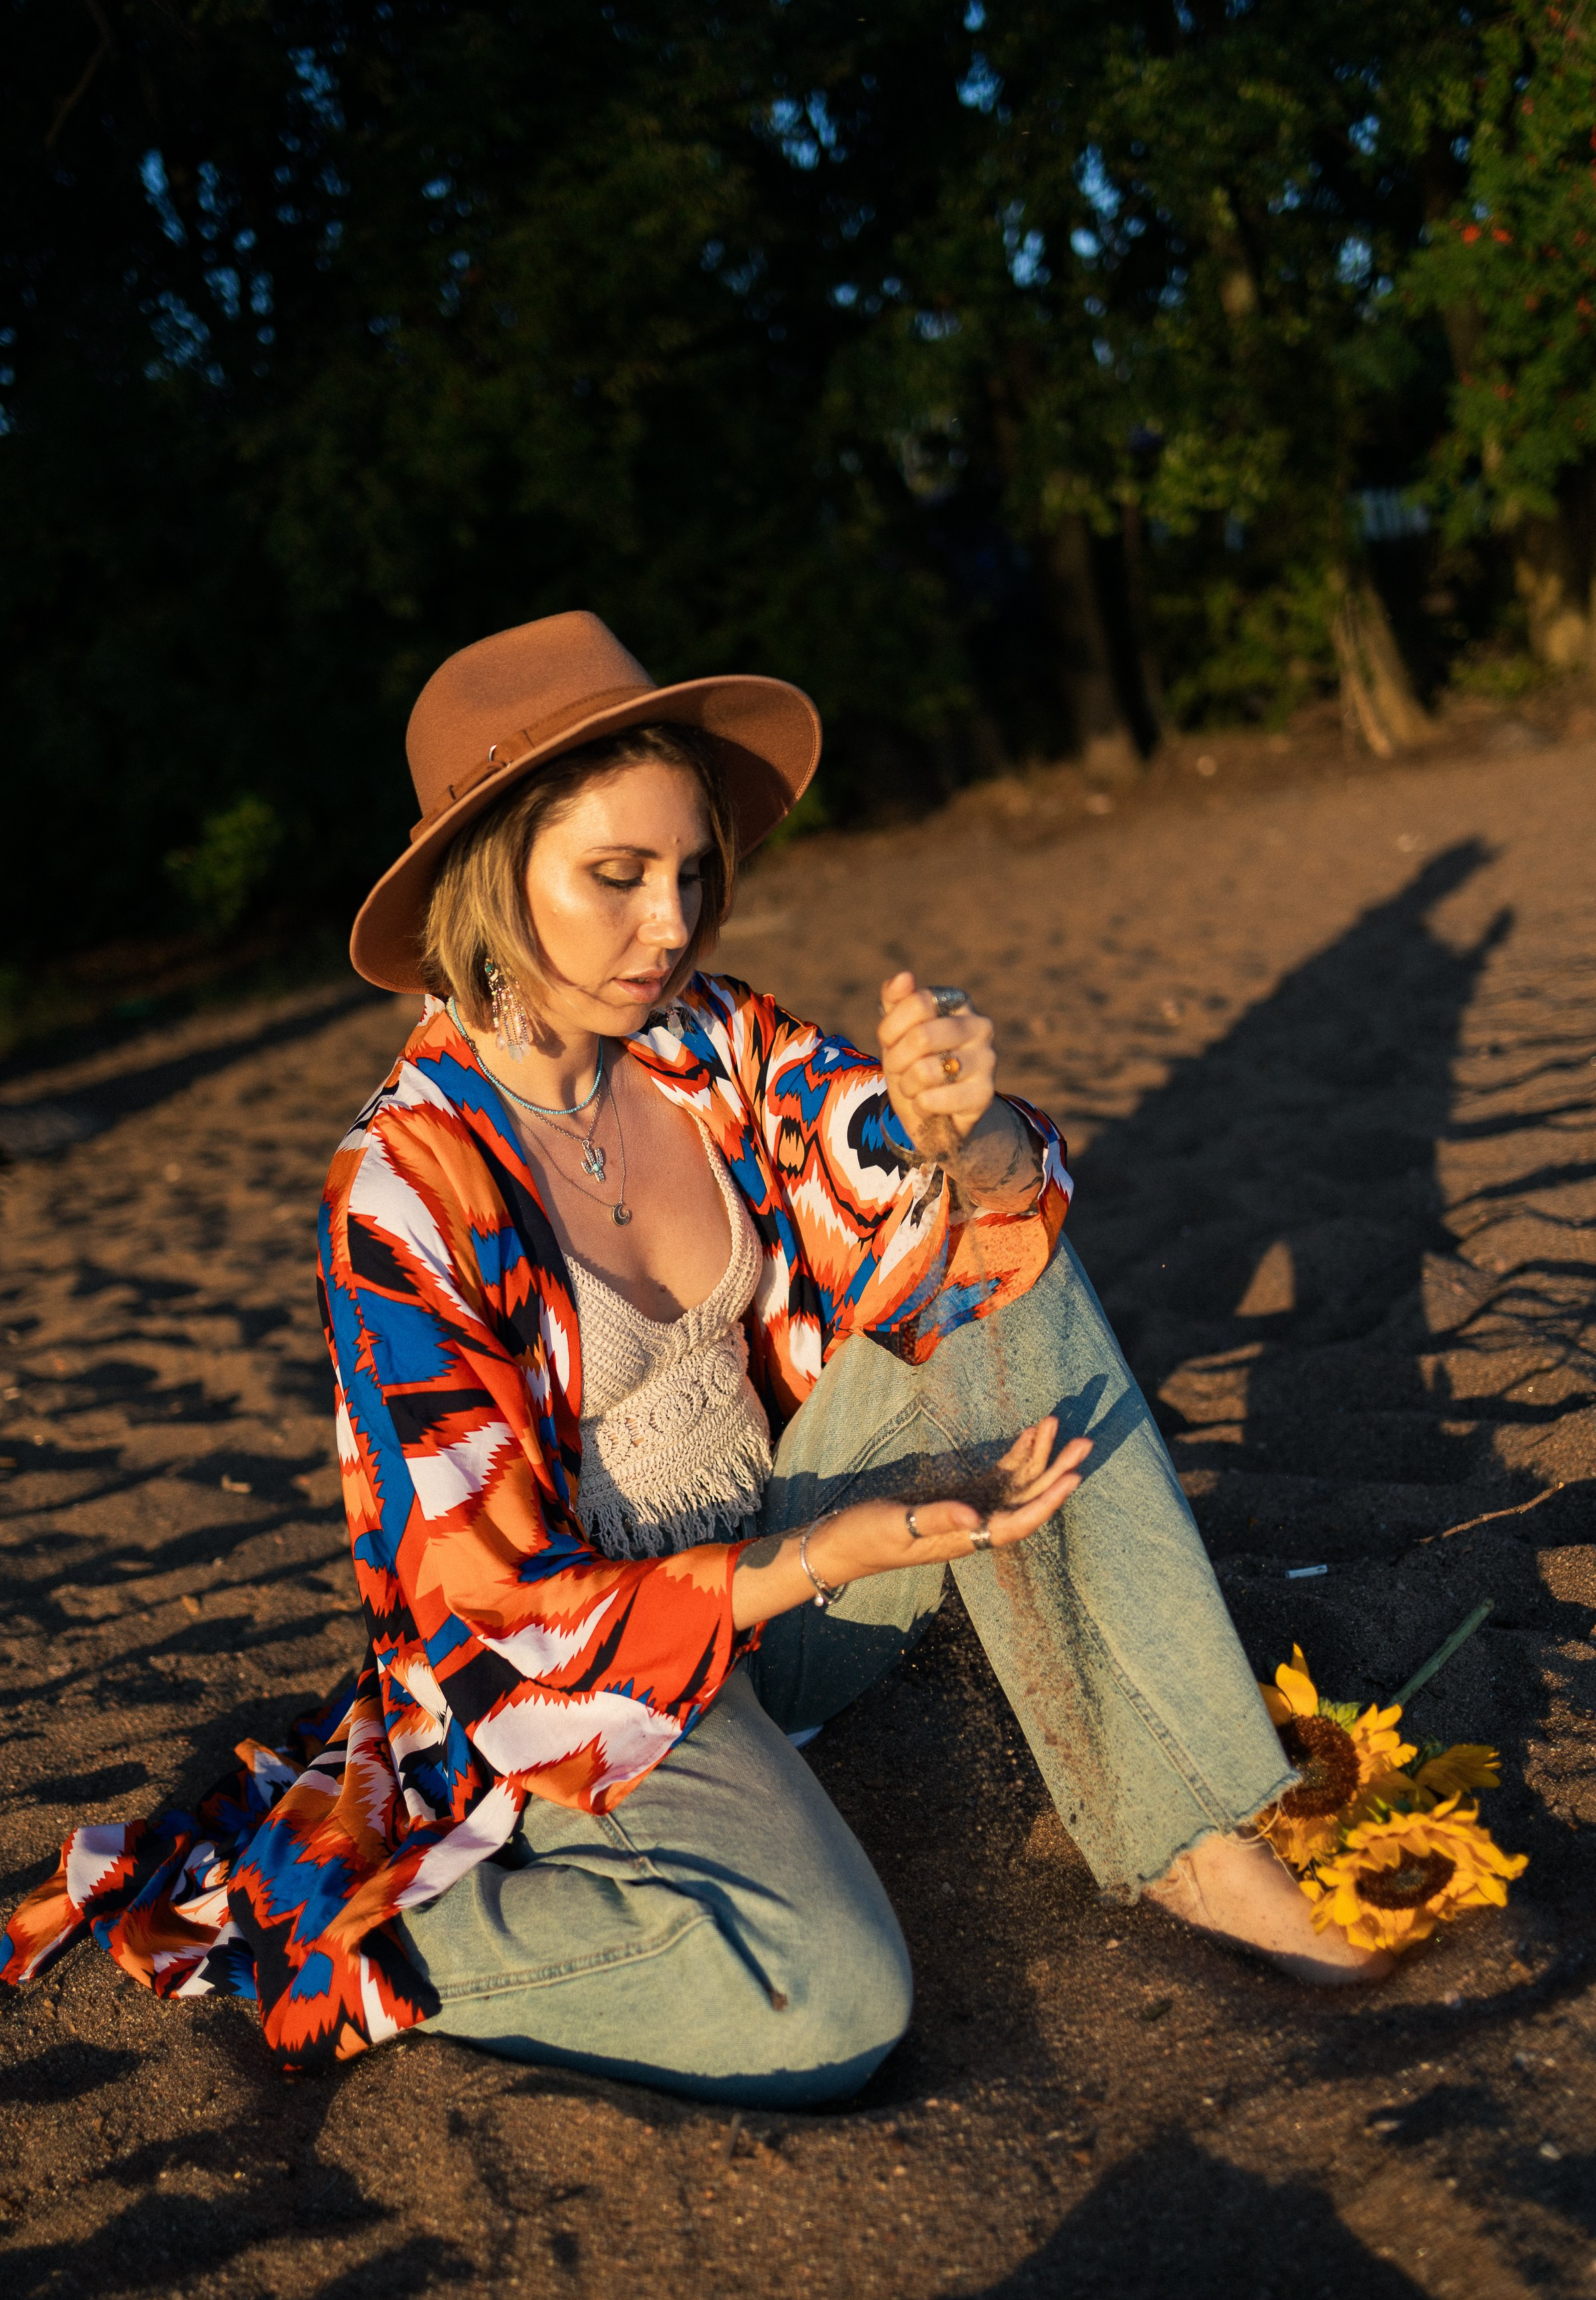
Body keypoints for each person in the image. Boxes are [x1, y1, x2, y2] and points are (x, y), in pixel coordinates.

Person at [0, 613, 1387, 2090]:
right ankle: (377, 1953)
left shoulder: (705, 1041)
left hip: (797, 1571)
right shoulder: (401, 1190)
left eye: (689, 873)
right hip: (587, 1681)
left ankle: (1191, 1840)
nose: (669, 925)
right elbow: (487, 1604)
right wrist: (824, 1555)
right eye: (617, 877)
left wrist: (963, 1132)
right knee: (829, 2005)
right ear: (492, 876)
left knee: (1007, 1266)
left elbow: (925, 1207)